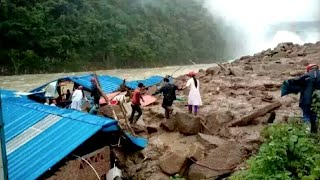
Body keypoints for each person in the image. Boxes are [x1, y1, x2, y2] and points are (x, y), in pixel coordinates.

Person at [282, 64, 320, 133]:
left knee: (306, 116)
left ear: (309, 69)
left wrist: (287, 83)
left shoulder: (306, 76)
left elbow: (295, 82)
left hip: (306, 101)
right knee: (316, 116)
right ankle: (316, 134)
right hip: (318, 102)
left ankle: (307, 133)